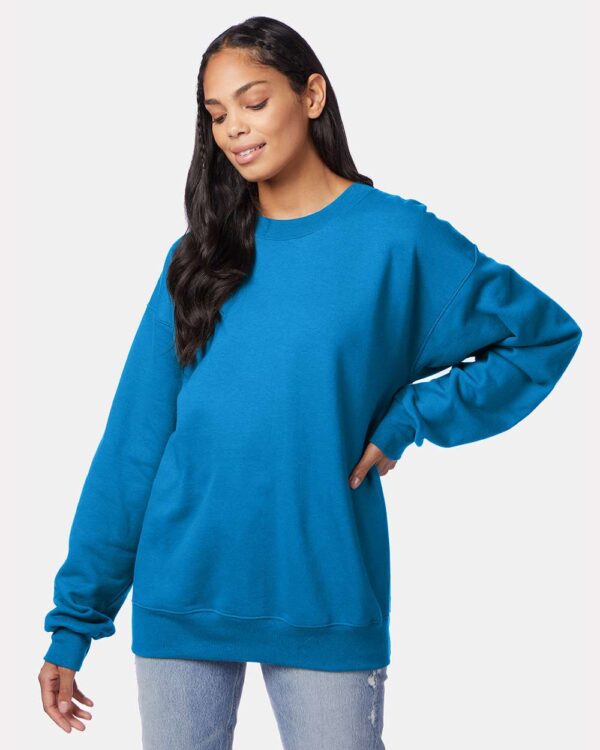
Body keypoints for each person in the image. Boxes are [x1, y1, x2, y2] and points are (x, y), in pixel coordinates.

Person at [38, 15, 583, 750]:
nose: (234, 128)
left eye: (254, 101)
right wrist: (75, 621)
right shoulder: (197, 258)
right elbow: (134, 445)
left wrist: (410, 416)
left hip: (326, 591)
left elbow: (541, 337)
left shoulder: (397, 239)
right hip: (183, 594)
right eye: (217, 114)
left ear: (312, 95)